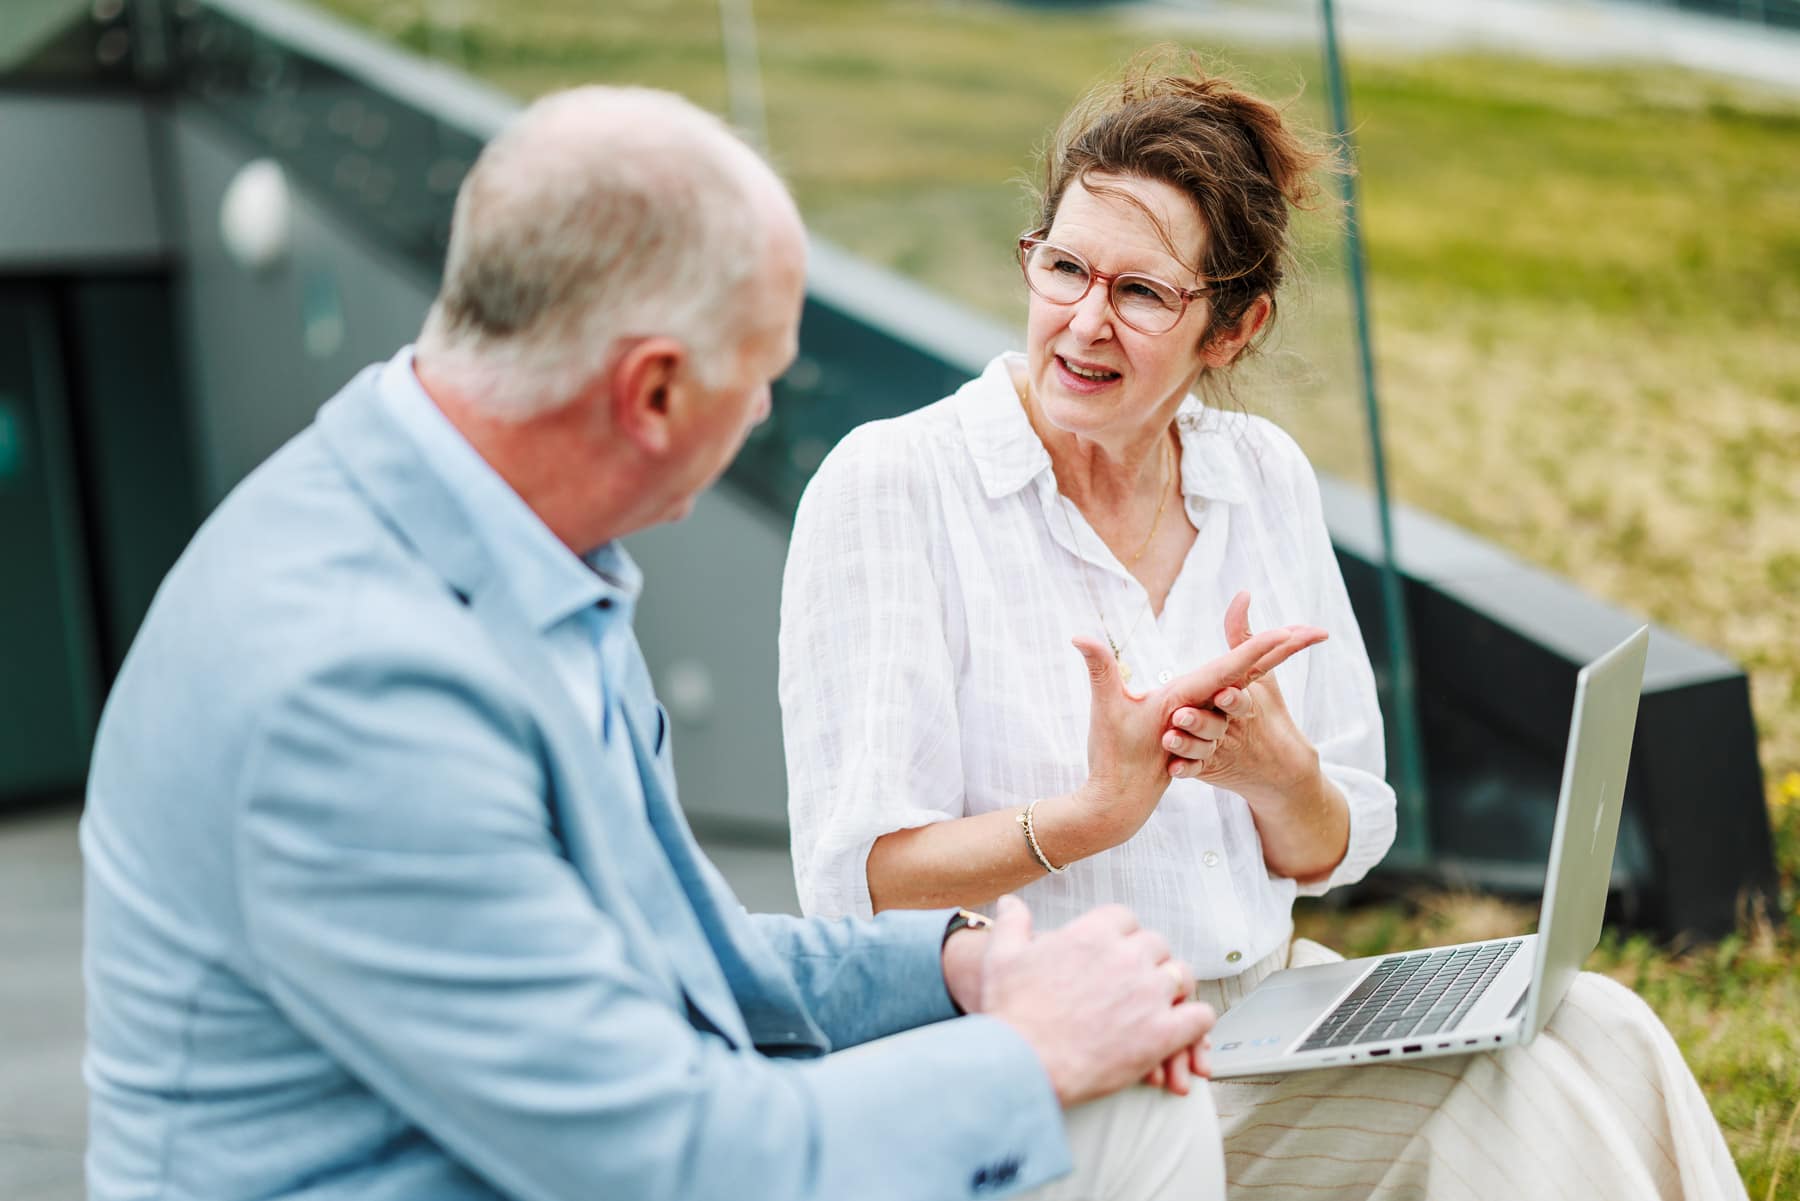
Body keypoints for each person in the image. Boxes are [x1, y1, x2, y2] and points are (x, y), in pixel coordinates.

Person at [79, 84, 1257, 1201]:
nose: (763, 413)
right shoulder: (355, 690)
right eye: (764, 377)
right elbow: (666, 1165)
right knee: (1106, 1107)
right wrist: (1033, 1051)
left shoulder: (511, 550)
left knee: (1127, 1106)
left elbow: (670, 953)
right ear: (653, 394)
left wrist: (960, 968)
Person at [780, 54, 1747, 1201]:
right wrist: (1093, 816)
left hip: (1263, 1015)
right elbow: (856, 884)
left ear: (1232, 330)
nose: (1086, 321)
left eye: (1142, 294)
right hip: (1046, 1047)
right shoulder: (894, 483)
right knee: (1503, 1096)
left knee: (1596, 1024)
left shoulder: (1262, 479)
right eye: (1066, 269)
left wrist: (1282, 776)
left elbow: (1339, 839)